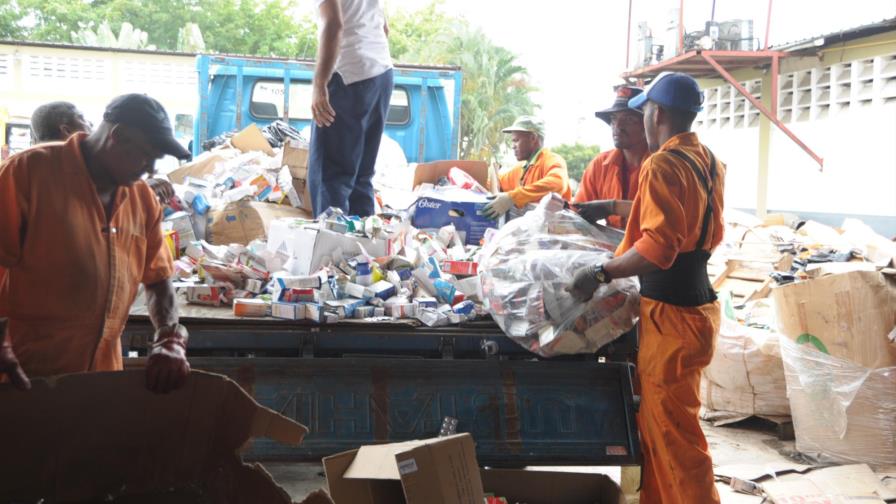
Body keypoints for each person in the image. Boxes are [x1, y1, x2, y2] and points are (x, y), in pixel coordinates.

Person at [567, 72, 726, 504]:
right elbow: (697, 228)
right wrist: (617, 208)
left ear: (656, 113)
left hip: (671, 317)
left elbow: (659, 247)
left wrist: (603, 272)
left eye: (644, 111)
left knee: (677, 441)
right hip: (697, 308)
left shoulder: (660, 164)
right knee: (659, 431)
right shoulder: (707, 161)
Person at [0, 93, 192, 394]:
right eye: (146, 155)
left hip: (99, 384)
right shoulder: (29, 172)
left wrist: (170, 338)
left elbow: (158, 281)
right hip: (23, 378)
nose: (151, 170)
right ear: (117, 136)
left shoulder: (142, 200)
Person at [308, 0, 394, 218]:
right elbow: (384, 27)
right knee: (361, 176)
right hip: (381, 73)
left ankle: (333, 250)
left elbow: (334, 25)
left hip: (349, 77)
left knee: (331, 177)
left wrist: (320, 84)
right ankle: (363, 248)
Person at [30, 101, 176, 203]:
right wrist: (142, 191)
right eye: (82, 118)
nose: (91, 124)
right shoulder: (38, 176)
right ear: (67, 130)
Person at [572, 86, 649, 229]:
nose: (617, 126)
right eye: (614, 119)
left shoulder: (662, 165)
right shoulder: (600, 165)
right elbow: (578, 211)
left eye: (629, 119)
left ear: (648, 124)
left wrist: (611, 207)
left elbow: (662, 214)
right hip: (611, 247)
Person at [482, 116, 572, 219]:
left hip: (556, 231)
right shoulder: (521, 168)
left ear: (533, 138)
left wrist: (512, 198)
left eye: (516, 140)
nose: (513, 146)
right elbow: (498, 182)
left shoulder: (552, 160)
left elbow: (557, 183)